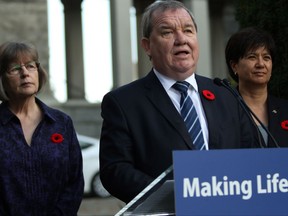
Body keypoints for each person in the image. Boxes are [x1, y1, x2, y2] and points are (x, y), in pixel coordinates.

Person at [100, 0, 257, 204]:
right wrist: (176, 195)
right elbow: (115, 171)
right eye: (167, 32)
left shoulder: (226, 94)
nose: (181, 39)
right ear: (147, 46)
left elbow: (252, 157)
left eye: (188, 30)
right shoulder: (123, 102)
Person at [0, 41, 84, 215]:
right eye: (15, 68)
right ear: (2, 79)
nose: (25, 73)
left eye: (30, 66)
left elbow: (74, 182)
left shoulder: (62, 123)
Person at [225, 27, 288, 148]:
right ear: (234, 66)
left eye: (266, 58)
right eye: (252, 57)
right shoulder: (223, 111)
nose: (260, 64)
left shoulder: (285, 109)